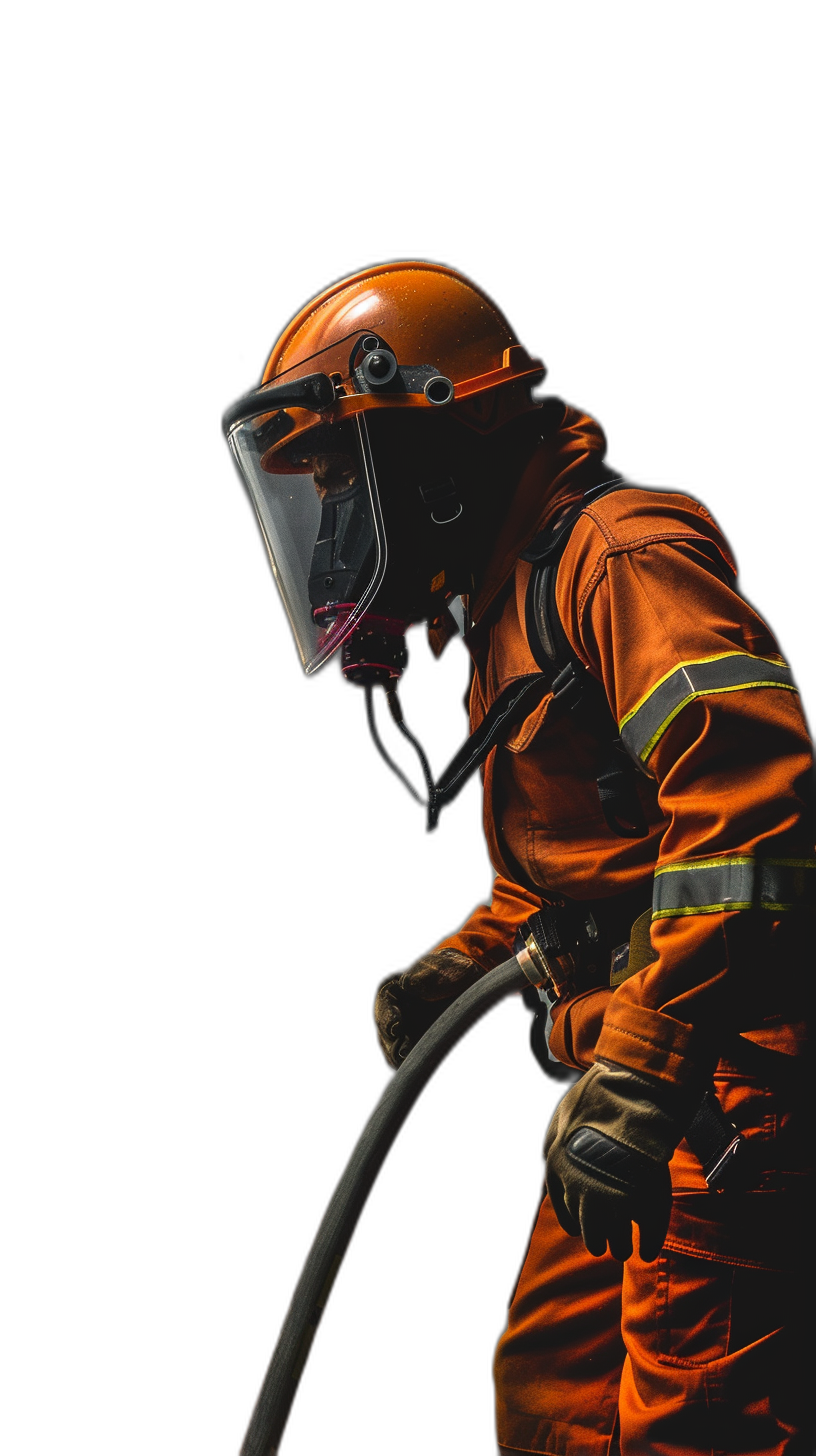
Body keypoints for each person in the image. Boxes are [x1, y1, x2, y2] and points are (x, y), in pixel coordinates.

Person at [223, 260, 815, 1455]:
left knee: (686, 1423)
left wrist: (648, 1074)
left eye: (349, 479)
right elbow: (571, 873)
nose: (339, 525)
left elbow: (752, 817)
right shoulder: (511, 605)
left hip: (718, 1073)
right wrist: (463, 961)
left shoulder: (620, 558)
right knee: (551, 1397)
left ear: (438, 447)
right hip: (643, 1071)